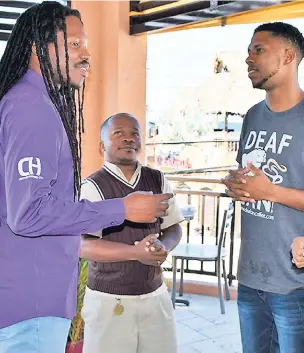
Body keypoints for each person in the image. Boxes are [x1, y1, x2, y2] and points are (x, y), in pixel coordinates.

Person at [0, 2, 171, 352]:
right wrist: (121, 209)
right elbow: (28, 214)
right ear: (38, 46)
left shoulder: (25, 103)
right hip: (29, 304)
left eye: (85, 43)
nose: (87, 53)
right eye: (75, 43)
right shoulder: (31, 108)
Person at [222, 22, 304, 353]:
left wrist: (272, 193)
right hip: (251, 275)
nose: (248, 59)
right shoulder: (252, 116)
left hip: (298, 282)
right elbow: (254, 179)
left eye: (258, 50)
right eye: (248, 51)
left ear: (288, 56)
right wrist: (236, 185)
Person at [79, 113, 184, 353]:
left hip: (155, 295)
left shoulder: (156, 179)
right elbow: (84, 246)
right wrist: (135, 253)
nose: (129, 139)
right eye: (118, 133)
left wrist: (163, 247)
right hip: (109, 300)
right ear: (101, 145)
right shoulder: (93, 186)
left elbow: (173, 227)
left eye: (135, 133)